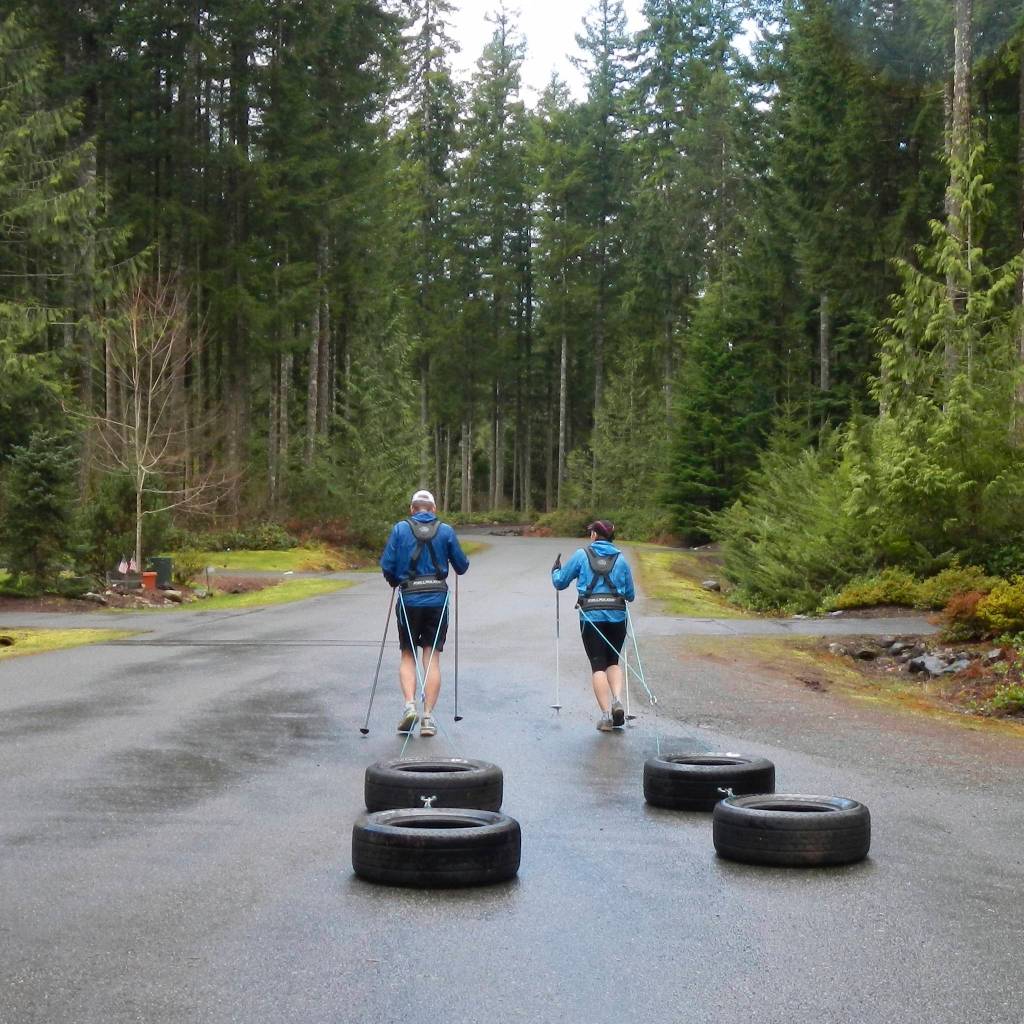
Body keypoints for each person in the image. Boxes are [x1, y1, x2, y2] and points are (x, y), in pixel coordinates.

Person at [380, 489, 469, 737]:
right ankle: (428, 718)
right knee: (432, 658)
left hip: (408, 598)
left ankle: (409, 705)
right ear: (434, 509)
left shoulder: (400, 529)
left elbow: (387, 565)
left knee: (408, 653)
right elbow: (462, 565)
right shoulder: (446, 531)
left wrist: (393, 581)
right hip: (437, 600)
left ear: (412, 509)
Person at [551, 520, 636, 732]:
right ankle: (617, 700)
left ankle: (606, 717)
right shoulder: (621, 559)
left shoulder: (581, 555)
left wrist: (555, 571)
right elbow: (630, 595)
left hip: (591, 617)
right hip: (617, 616)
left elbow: (560, 582)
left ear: (594, 536)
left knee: (598, 665)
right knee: (613, 661)